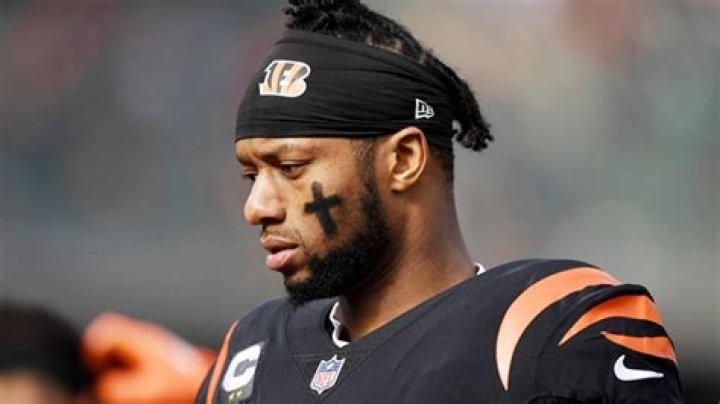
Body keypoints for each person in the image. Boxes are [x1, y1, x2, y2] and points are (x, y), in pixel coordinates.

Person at [196, 0, 682, 402]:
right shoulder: (249, 353)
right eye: (251, 174)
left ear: (404, 159)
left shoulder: (543, 331)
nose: (256, 206)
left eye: (291, 168)